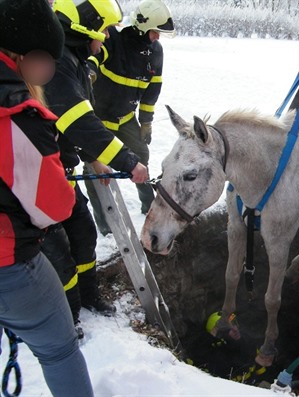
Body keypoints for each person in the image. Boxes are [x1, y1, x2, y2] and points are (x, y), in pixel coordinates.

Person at [0, 0, 94, 395]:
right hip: (10, 264)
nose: (52, 70)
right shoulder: (18, 114)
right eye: (48, 60)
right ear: (24, 55)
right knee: (59, 351)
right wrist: (52, 159)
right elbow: (53, 206)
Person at [42, 0, 149, 327]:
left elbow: (71, 125)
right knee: (58, 255)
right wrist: (129, 161)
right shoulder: (56, 65)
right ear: (86, 28)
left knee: (84, 234)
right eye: (102, 29)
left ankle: (87, 294)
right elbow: (81, 123)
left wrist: (93, 161)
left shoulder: (73, 61)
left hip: (59, 174)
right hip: (39, 181)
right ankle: (67, 317)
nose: (105, 37)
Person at [86, 0, 175, 235]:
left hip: (125, 118)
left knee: (141, 156)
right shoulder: (114, 40)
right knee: (96, 172)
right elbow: (93, 58)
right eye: (155, 32)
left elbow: (151, 91)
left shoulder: (156, 52)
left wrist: (146, 122)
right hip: (98, 119)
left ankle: (148, 204)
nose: (157, 38)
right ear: (141, 27)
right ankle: (104, 224)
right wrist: (89, 73)